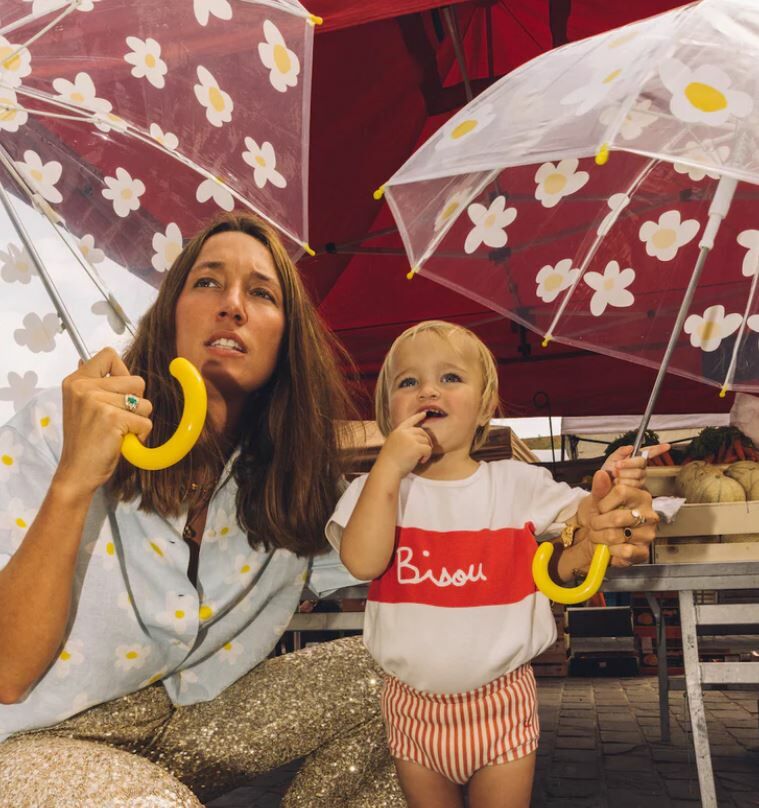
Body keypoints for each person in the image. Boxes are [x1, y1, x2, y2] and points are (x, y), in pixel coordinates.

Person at [0, 212, 405, 807]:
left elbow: (397, 551)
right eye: (208, 282)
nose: (232, 305)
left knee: (411, 675)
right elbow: (7, 673)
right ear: (170, 315)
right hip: (36, 740)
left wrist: (563, 541)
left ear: (286, 340)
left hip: (189, 722)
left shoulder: (290, 479)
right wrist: (74, 481)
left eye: (261, 293)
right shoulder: (62, 425)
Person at [326, 320, 661, 808]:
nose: (428, 391)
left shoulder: (516, 483)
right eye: (408, 381)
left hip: (501, 702)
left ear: (485, 405)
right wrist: (388, 468)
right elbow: (361, 561)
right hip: (410, 708)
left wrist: (609, 491)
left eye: (450, 377)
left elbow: (585, 515)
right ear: (387, 412)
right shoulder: (375, 489)